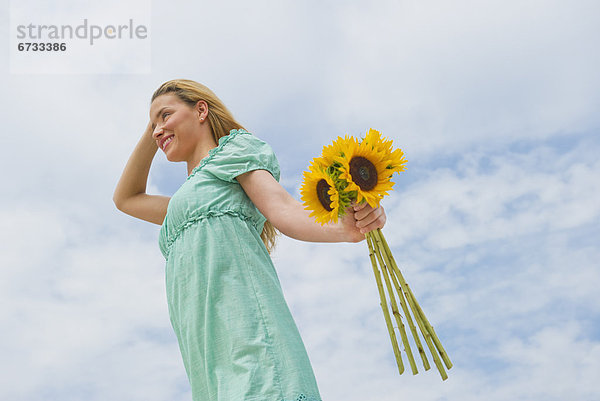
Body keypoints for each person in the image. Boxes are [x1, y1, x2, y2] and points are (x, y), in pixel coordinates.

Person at [113, 79, 387, 401]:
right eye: (152, 123)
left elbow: (282, 209)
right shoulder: (183, 205)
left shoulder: (233, 153)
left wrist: (344, 228)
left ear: (201, 110)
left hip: (250, 336)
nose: (157, 130)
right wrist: (156, 126)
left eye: (165, 115)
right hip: (206, 350)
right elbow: (126, 199)